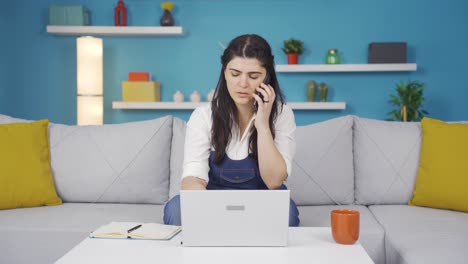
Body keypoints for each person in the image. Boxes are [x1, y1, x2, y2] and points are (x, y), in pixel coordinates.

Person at [164, 34, 300, 227]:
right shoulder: (203, 116)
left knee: (287, 213)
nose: (243, 84)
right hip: (211, 199)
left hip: (261, 200)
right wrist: (213, 210)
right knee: (176, 210)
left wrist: (262, 125)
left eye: (253, 76)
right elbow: (193, 178)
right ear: (225, 73)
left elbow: (274, 181)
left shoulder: (282, 114)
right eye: (235, 74)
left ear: (267, 77)